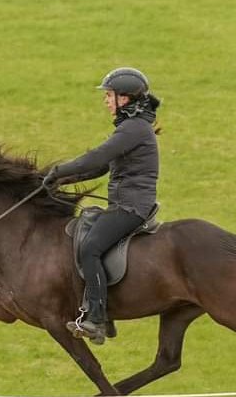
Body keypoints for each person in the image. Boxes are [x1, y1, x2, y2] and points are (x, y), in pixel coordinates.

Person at [42, 67, 161, 344]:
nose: (106, 101)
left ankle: (96, 317)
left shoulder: (134, 128)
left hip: (131, 207)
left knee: (90, 248)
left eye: (109, 95)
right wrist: (60, 181)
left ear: (126, 98)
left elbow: (97, 157)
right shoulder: (132, 127)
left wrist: (58, 170)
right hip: (124, 203)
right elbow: (99, 169)